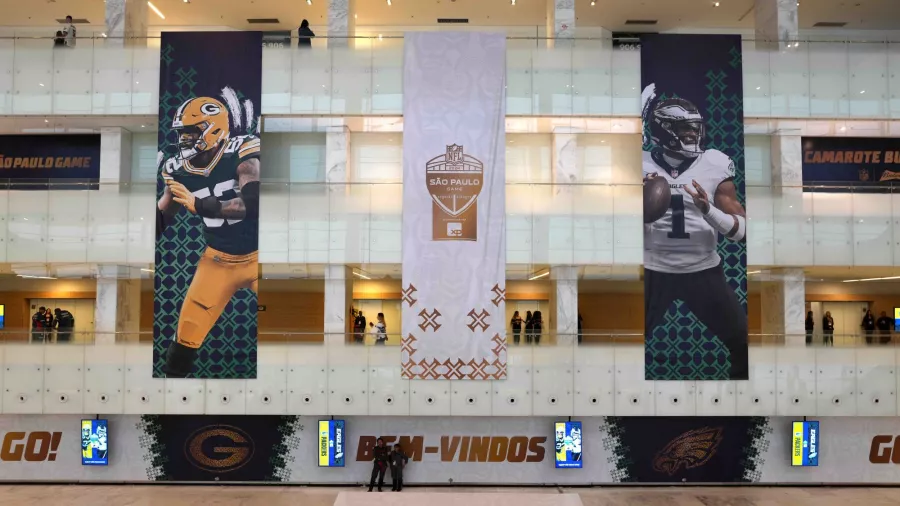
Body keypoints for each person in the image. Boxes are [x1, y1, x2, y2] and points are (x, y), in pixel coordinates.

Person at [642, 90, 748, 379]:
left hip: (702, 270)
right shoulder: (637, 165)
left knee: (743, 342)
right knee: (626, 344)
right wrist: (638, 207)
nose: (692, 134)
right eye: (684, 128)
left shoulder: (714, 163)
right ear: (663, 130)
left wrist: (708, 210)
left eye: (695, 128)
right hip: (652, 270)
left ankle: (740, 400)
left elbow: (743, 231)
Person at [157, 92, 261, 377]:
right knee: (184, 342)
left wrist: (199, 204)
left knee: (287, 323)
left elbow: (252, 203)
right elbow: (161, 219)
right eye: (183, 134)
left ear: (214, 128)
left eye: (192, 132)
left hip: (260, 259)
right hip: (217, 261)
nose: (185, 140)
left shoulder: (243, 152)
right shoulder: (177, 169)